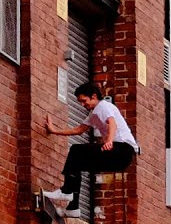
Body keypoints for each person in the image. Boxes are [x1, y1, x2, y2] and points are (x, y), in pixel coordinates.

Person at [42, 82, 139, 216]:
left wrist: (109, 141)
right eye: (80, 102)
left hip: (122, 150)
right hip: (121, 158)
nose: (83, 105)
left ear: (93, 96)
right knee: (77, 164)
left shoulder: (103, 106)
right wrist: (54, 131)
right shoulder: (94, 114)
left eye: (84, 101)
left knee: (76, 150)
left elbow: (112, 123)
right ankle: (73, 208)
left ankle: (66, 191)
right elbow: (79, 130)